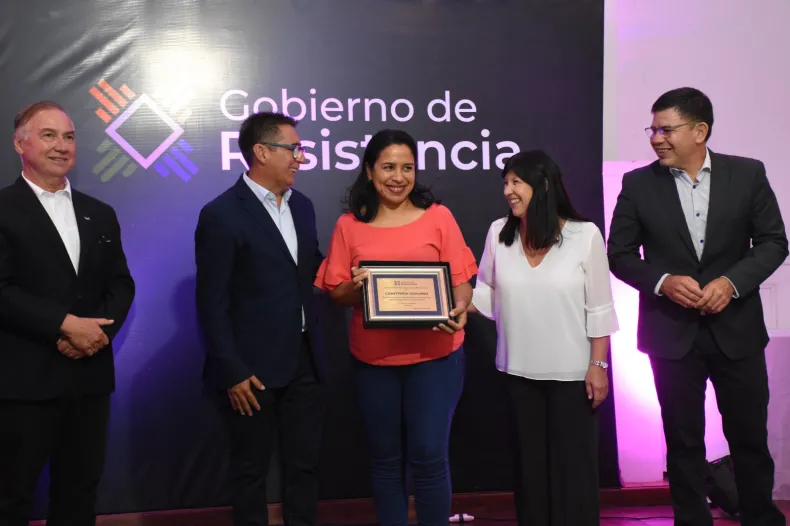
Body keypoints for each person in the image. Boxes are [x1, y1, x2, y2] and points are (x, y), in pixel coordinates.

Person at [607, 87, 788, 526]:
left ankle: (760, 517)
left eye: (666, 129)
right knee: (683, 443)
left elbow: (773, 242)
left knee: (749, 439)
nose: (656, 139)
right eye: (653, 130)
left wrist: (732, 283)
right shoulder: (638, 184)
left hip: (738, 331)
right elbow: (620, 254)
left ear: (700, 131)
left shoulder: (747, 174)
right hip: (671, 334)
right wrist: (663, 282)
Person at [314, 129, 477, 526]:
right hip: (374, 361)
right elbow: (336, 293)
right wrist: (355, 290)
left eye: (408, 167)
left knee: (430, 456)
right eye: (388, 167)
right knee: (386, 459)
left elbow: (461, 281)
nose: (398, 177)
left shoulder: (439, 217)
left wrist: (460, 307)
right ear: (370, 171)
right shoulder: (349, 225)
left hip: (436, 357)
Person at [0, 101, 136, 526]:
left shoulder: (101, 213)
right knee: (10, 497)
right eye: (49, 135)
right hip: (23, 383)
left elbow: (121, 285)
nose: (61, 145)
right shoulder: (3, 209)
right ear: (19, 144)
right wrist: (64, 325)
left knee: (78, 496)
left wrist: (96, 336)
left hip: (88, 381)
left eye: (69, 137)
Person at [468, 150, 618, 525]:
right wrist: (440, 304)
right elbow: (485, 293)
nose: (508, 190)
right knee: (529, 474)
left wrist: (598, 365)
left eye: (516, 182)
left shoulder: (584, 235)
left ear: (544, 185)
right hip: (518, 373)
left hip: (573, 377)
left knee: (573, 474)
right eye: (505, 182)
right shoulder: (498, 233)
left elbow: (599, 307)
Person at [195, 111, 326, 526]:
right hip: (250, 370)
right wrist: (232, 371)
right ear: (262, 152)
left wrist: (357, 278)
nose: (300, 158)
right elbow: (211, 302)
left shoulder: (303, 206)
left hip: (304, 359)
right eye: (293, 149)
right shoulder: (221, 214)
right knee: (250, 471)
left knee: (304, 466)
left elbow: (313, 267)